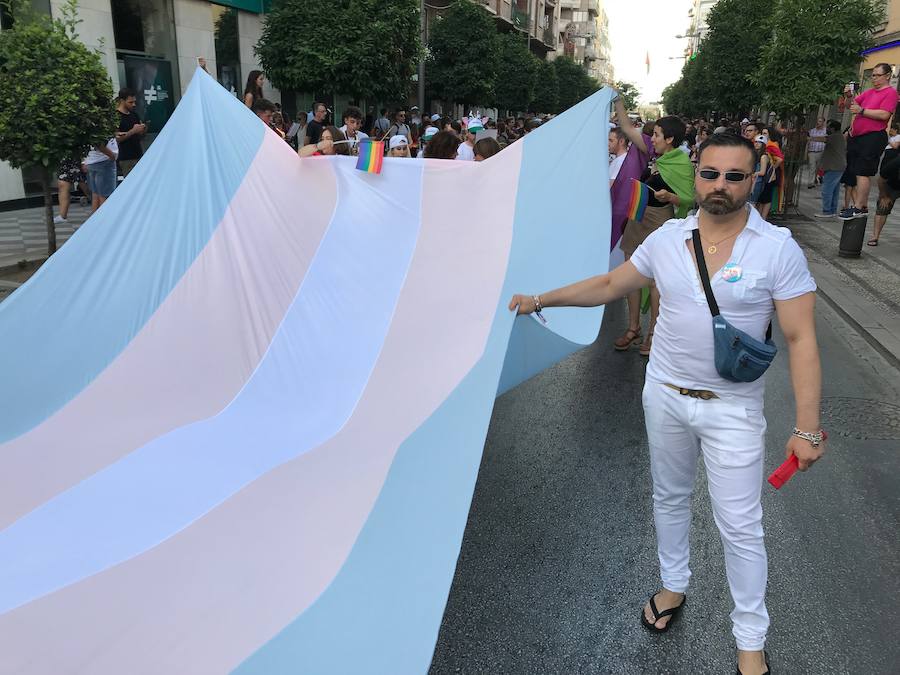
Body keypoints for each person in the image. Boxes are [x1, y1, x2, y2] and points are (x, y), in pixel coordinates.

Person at [509, 132, 823, 675]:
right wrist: (539, 299)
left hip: (734, 409)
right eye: (710, 174)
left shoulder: (776, 249)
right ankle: (673, 585)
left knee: (741, 526)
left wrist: (809, 428)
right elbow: (611, 283)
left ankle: (750, 637)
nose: (719, 185)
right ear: (694, 176)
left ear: (754, 180)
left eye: (734, 176)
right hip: (666, 396)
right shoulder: (668, 241)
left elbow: (800, 340)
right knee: (669, 498)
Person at [613, 96, 695, 357]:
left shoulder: (682, 163)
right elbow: (626, 128)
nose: (653, 138)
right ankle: (633, 327)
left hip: (661, 221)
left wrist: (671, 197)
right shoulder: (651, 153)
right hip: (638, 216)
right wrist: (618, 101)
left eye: (657, 134)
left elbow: (691, 198)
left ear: (670, 139)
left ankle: (653, 334)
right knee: (630, 276)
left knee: (654, 281)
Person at [841, 63, 900, 219]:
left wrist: (863, 111)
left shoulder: (890, 93)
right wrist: (848, 97)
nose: (873, 78)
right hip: (857, 136)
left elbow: (884, 115)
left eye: (877, 75)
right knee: (855, 171)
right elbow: (850, 106)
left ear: (887, 76)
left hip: (872, 136)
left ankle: (860, 207)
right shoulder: (869, 92)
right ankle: (858, 205)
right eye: (872, 75)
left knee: (863, 171)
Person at [812, 121, 846, 219]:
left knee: (827, 189)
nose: (826, 129)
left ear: (833, 128)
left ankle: (827, 211)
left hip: (834, 167)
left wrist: (810, 138)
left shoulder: (835, 136)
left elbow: (823, 139)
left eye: (828, 127)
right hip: (837, 166)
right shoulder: (839, 136)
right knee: (834, 190)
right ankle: (832, 210)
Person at [869, 151, 900, 245]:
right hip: (890, 184)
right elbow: (881, 180)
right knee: (883, 207)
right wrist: (884, 196)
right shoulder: (893, 164)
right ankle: (875, 237)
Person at [114, 87, 146, 178]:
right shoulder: (116, 116)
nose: (133, 105)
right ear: (122, 101)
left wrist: (142, 130)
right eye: (130, 102)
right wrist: (133, 131)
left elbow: (140, 136)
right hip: (126, 158)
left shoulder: (134, 115)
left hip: (138, 154)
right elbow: (117, 139)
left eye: (134, 102)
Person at [83, 137, 118, 212]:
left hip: (92, 161)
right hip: (104, 161)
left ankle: (95, 220)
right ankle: (105, 220)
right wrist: (112, 156)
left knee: (96, 194)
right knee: (105, 195)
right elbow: (99, 144)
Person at [53, 157, 89, 225]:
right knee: (62, 185)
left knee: (86, 187)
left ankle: (101, 207)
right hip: (65, 159)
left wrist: (84, 161)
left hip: (76, 157)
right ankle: (62, 216)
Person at [749, 136, 771, 208]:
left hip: (758, 182)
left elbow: (762, 172)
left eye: (759, 142)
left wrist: (753, 174)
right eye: (755, 142)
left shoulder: (763, 156)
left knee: (752, 202)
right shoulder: (757, 155)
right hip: (755, 181)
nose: (757, 144)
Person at [806, 117, 827, 188]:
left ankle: (815, 179)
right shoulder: (811, 131)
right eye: (818, 121)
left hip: (821, 151)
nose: (818, 123)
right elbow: (808, 140)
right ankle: (810, 182)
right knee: (812, 166)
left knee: (818, 167)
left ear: (823, 122)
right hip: (812, 151)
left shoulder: (825, 131)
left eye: (820, 121)